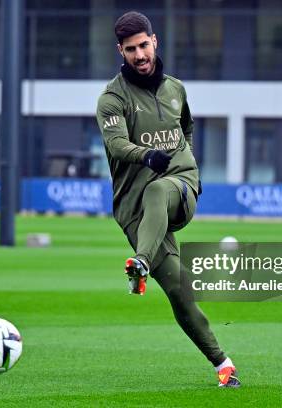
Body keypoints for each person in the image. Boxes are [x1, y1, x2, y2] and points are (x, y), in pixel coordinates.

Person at [96, 11, 240, 388]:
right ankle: (223, 365)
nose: (140, 55)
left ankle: (139, 264)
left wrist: (183, 161)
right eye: (131, 49)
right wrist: (146, 156)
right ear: (121, 51)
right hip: (134, 210)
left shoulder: (176, 88)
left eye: (144, 45)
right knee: (179, 288)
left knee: (158, 188)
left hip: (179, 186)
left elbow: (186, 126)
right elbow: (115, 144)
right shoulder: (112, 99)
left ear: (154, 41)